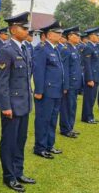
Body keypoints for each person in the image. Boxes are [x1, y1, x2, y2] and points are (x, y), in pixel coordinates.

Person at [0, 12, 35, 192]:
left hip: (24, 104)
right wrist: (5, 106)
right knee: (9, 142)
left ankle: (19, 171)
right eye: (23, 27)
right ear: (13, 30)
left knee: (21, 140)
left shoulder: (25, 48)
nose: (27, 30)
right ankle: (9, 176)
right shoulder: (6, 50)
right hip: (12, 106)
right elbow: (2, 81)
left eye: (27, 28)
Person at [32, 21, 64, 159]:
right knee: (43, 119)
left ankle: (49, 145)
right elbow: (38, 71)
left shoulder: (55, 48)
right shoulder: (42, 48)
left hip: (56, 90)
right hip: (46, 91)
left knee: (52, 119)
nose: (60, 35)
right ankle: (40, 147)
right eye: (57, 33)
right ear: (49, 35)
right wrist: (38, 91)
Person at [59, 26, 83, 138]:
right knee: (67, 107)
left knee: (72, 106)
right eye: (76, 35)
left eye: (78, 35)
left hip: (75, 83)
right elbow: (65, 69)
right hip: (69, 84)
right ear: (69, 36)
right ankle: (65, 129)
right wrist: (65, 85)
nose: (78, 37)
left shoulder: (75, 48)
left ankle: (70, 127)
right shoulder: (65, 49)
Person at [81, 27, 99, 124]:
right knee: (89, 98)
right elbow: (87, 64)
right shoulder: (88, 47)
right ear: (91, 36)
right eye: (96, 35)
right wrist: (89, 79)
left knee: (92, 98)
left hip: (95, 76)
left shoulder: (95, 46)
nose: (98, 37)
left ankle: (90, 115)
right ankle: (87, 117)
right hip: (91, 77)